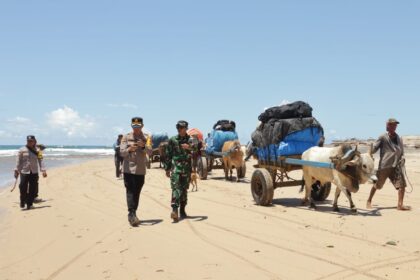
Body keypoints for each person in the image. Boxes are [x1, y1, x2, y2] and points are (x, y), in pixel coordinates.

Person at [367, 118, 410, 211]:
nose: (395, 126)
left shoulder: (398, 137)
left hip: (396, 165)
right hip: (384, 165)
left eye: (395, 125)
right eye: (392, 125)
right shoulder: (383, 137)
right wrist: (370, 150)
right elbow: (374, 149)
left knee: (402, 184)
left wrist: (402, 157)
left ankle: (400, 205)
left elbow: (401, 150)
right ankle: (369, 200)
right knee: (378, 185)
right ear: (388, 125)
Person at [119, 117, 151, 226]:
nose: (136, 129)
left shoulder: (147, 137)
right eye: (134, 127)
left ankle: (133, 212)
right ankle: (131, 214)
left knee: (137, 192)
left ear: (142, 126)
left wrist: (143, 147)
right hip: (128, 169)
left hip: (140, 170)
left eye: (138, 127)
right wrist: (129, 149)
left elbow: (150, 151)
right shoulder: (126, 137)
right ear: (131, 126)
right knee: (130, 191)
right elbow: (122, 152)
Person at [164, 120, 192, 222]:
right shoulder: (173, 140)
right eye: (179, 128)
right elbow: (168, 154)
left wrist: (190, 147)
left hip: (187, 168)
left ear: (186, 128)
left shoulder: (191, 139)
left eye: (183, 128)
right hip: (176, 168)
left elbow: (197, 151)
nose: (181, 130)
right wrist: (167, 168)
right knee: (176, 188)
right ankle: (174, 210)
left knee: (184, 189)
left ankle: (183, 210)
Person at [14, 135, 47, 210]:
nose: (29, 142)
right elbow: (18, 161)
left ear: (34, 141)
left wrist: (43, 170)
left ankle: (30, 204)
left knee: (32, 189)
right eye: (28, 141)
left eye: (31, 141)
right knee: (22, 187)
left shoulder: (38, 150)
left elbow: (41, 160)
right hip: (24, 171)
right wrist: (16, 170)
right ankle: (22, 201)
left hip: (34, 172)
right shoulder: (22, 149)